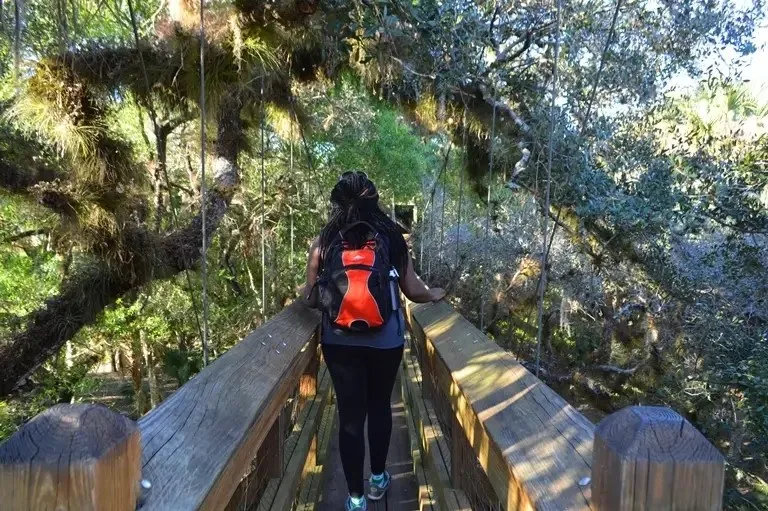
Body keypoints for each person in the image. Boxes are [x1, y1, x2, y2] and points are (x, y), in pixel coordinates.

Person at [302, 171, 445, 510]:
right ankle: (379, 479)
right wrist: (434, 294)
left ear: (338, 202)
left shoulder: (324, 239)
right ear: (375, 201)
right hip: (385, 341)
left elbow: (309, 296)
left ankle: (355, 498)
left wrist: (315, 295)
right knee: (380, 406)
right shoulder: (392, 235)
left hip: (339, 341)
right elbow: (412, 290)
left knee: (350, 416)